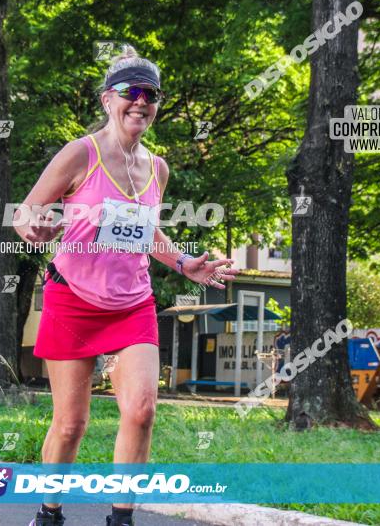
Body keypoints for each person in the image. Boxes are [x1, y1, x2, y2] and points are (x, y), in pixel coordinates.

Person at [14, 45, 238, 526]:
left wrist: (184, 264)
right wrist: (34, 227)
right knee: (71, 424)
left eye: (150, 94)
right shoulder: (80, 153)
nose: (140, 102)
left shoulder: (157, 168)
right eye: (130, 91)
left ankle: (121, 518)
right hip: (72, 300)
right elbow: (24, 211)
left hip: (131, 304)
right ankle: (48, 514)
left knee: (140, 410)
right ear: (106, 100)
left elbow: (146, 230)